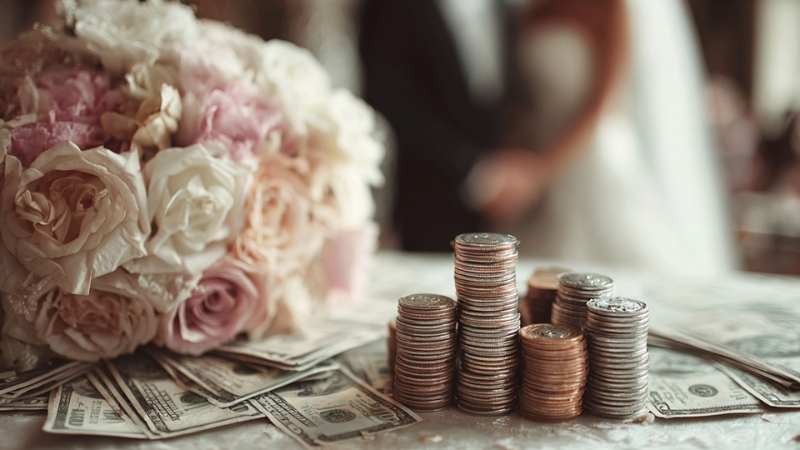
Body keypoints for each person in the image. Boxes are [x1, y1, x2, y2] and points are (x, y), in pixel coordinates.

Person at [358, 0, 530, 251]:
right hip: (430, 197)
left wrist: (513, 167)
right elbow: (389, 99)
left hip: (512, 197)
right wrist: (474, 171)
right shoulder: (391, 6)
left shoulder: (505, 7)